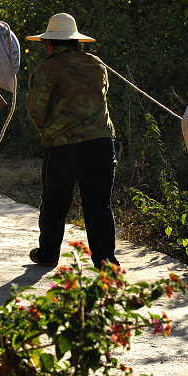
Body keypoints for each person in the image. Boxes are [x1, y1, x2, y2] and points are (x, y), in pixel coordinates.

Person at [25, 13, 119, 267]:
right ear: (78, 42)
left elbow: (36, 111)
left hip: (63, 148)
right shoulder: (96, 64)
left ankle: (48, 255)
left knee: (55, 202)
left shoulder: (45, 69)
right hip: (101, 144)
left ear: (49, 43)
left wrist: (49, 132)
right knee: (99, 204)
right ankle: (106, 261)